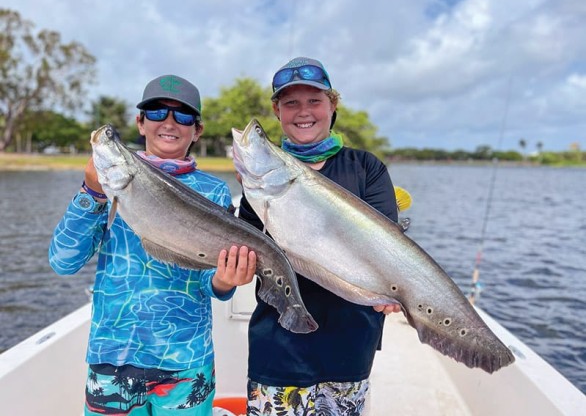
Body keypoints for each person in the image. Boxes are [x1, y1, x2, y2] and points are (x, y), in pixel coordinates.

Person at [49, 74, 256, 415]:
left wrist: (225, 281)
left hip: (185, 361)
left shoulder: (214, 191)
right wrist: (92, 192)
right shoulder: (112, 179)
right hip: (112, 357)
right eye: (157, 112)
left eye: (183, 116)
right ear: (141, 123)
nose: (170, 123)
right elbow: (63, 261)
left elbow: (210, 280)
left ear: (197, 130)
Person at [238, 57, 401, 415]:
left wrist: (395, 288)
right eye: (291, 102)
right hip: (278, 345)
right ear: (277, 111)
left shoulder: (366, 168)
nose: (303, 112)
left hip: (351, 343)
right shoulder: (260, 177)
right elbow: (250, 254)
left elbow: (387, 247)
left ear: (332, 105)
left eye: (314, 100)